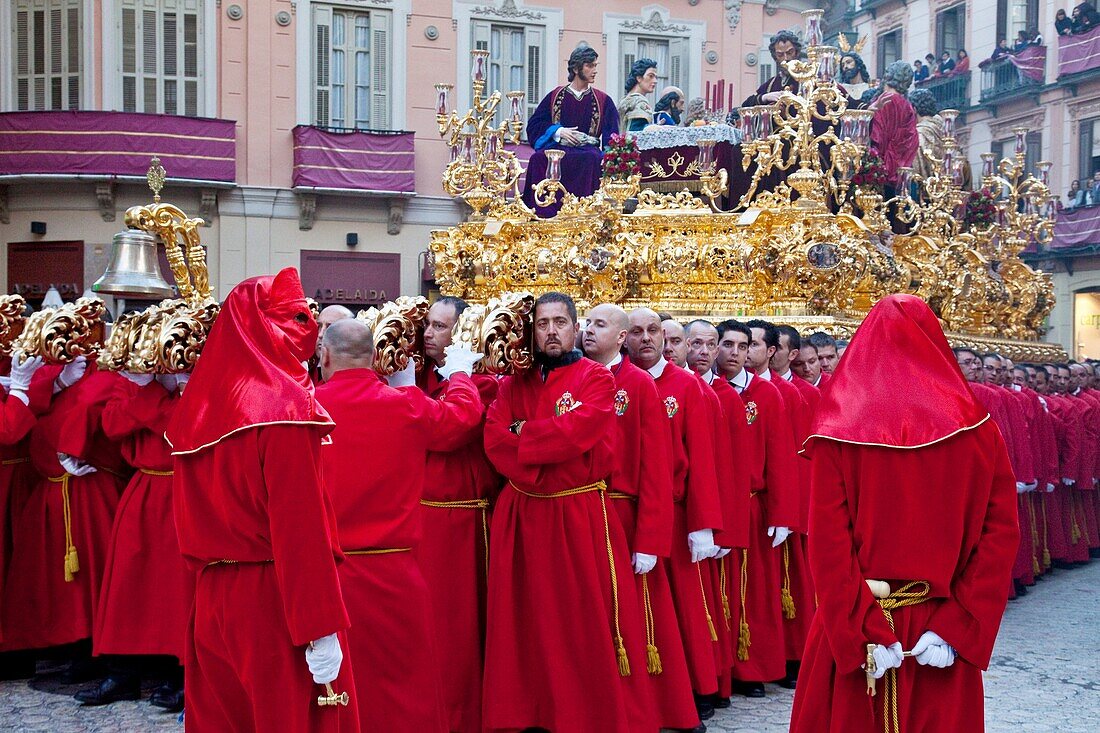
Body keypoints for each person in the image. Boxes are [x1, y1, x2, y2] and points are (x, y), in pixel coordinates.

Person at [790, 295, 1019, 732]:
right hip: (940, 620)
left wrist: (860, 631)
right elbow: (1001, 534)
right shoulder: (979, 431)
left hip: (862, 616)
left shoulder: (838, 436)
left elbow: (828, 545)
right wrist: (959, 627)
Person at [167, 268, 358, 732]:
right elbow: (300, 531)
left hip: (212, 596)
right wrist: (320, 625)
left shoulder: (194, 413)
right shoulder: (284, 413)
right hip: (274, 600)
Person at [482, 292, 655, 733]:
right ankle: (527, 710)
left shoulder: (596, 379)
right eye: (543, 324)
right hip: (521, 514)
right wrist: (537, 441)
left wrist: (525, 435)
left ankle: (583, 715)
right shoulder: (512, 384)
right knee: (524, 618)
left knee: (580, 622)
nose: (552, 331)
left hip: (577, 512)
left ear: (576, 327)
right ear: (532, 330)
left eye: (561, 322)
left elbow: (579, 432)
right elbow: (494, 442)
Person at [316, 318, 484, 731]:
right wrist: (460, 375)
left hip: (327, 573)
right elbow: (461, 419)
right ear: (375, 358)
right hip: (395, 574)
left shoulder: (307, 407)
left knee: (332, 688)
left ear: (324, 357)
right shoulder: (404, 404)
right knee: (403, 689)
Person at [582, 303, 701, 733]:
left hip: (626, 513)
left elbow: (656, 466)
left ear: (621, 337)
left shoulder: (637, 385)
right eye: (588, 324)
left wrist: (650, 539)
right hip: (583, 512)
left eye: (601, 325)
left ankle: (651, 709)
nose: (590, 331)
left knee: (639, 619)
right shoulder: (573, 377)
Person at [626, 308, 724, 722]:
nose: (647, 339)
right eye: (639, 332)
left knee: (683, 606)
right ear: (624, 338)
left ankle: (696, 688)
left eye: (655, 332)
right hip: (630, 511)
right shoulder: (614, 382)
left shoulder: (685, 387)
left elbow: (702, 459)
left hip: (678, 512)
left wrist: (704, 525)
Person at [2, 353, 128, 675]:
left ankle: (89, 651)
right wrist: (55, 382)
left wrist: (71, 442)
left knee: (87, 578)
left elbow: (91, 401)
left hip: (80, 485)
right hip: (52, 483)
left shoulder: (102, 369)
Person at [414, 295, 500, 733]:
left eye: (441, 327)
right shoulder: (420, 375)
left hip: (465, 520)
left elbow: (445, 431)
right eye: (427, 324)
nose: (429, 333)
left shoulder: (481, 382)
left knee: (459, 626)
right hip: (423, 518)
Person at [82, 369, 190, 711]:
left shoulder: (206, 375)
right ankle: (122, 672)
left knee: (180, 589)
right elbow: (112, 424)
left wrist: (153, 400)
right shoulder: (135, 376)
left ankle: (183, 673)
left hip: (186, 488)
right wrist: (154, 394)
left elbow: (183, 430)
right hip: (145, 482)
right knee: (127, 586)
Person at [714, 320, 798, 698]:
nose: (733, 353)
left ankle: (749, 668)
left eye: (741, 346)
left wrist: (782, 515)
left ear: (751, 351)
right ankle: (719, 668)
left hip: (751, 507)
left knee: (751, 593)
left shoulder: (766, 395)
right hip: (714, 505)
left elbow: (781, 458)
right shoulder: (708, 389)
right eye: (726, 344)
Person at [522, 46, 620, 218]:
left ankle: (587, 215)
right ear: (576, 68)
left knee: (594, 159)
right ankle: (542, 214)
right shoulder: (555, 96)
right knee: (538, 159)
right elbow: (534, 125)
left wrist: (610, 159)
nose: (595, 71)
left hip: (588, 151)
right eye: (590, 65)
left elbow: (612, 137)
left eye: (596, 65)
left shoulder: (603, 100)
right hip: (558, 148)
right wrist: (558, 131)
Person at [869, 61, 918, 203]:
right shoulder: (907, 106)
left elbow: (874, 132)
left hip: (876, 168)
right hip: (897, 169)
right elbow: (911, 140)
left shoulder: (882, 101)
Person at [742, 30, 803, 106]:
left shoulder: (807, 81)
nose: (786, 58)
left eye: (790, 53)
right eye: (780, 55)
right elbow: (746, 106)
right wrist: (764, 97)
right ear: (775, 57)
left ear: (797, 53)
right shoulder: (771, 84)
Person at [909, 88, 944, 184]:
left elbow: (915, 169)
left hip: (924, 192)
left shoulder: (918, 134)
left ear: (914, 109)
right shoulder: (945, 131)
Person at [620, 58, 658, 133]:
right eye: (651, 76)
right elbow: (636, 131)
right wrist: (654, 128)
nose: (655, 81)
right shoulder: (639, 102)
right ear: (639, 78)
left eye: (655, 77)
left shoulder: (625, 99)